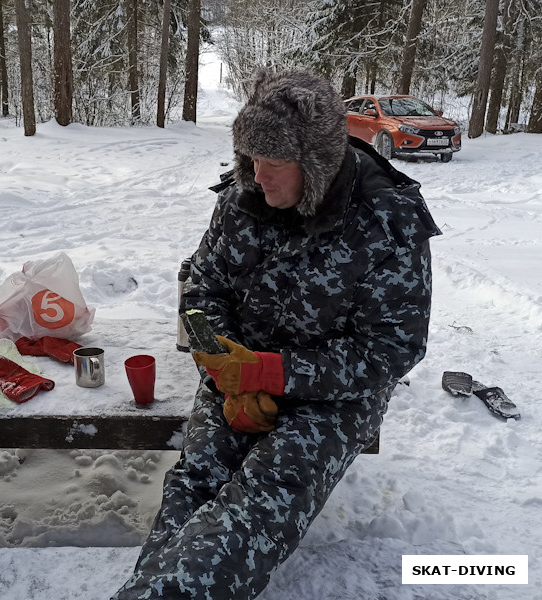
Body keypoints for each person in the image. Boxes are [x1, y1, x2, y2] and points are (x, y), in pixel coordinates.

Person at [113, 69, 441, 599]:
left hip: (335, 397)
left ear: (316, 164)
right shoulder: (240, 200)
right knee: (195, 479)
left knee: (264, 495)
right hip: (236, 372)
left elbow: (392, 348)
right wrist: (225, 369)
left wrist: (273, 373)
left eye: (274, 163)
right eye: (249, 158)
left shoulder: (387, 221)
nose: (257, 176)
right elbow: (198, 294)